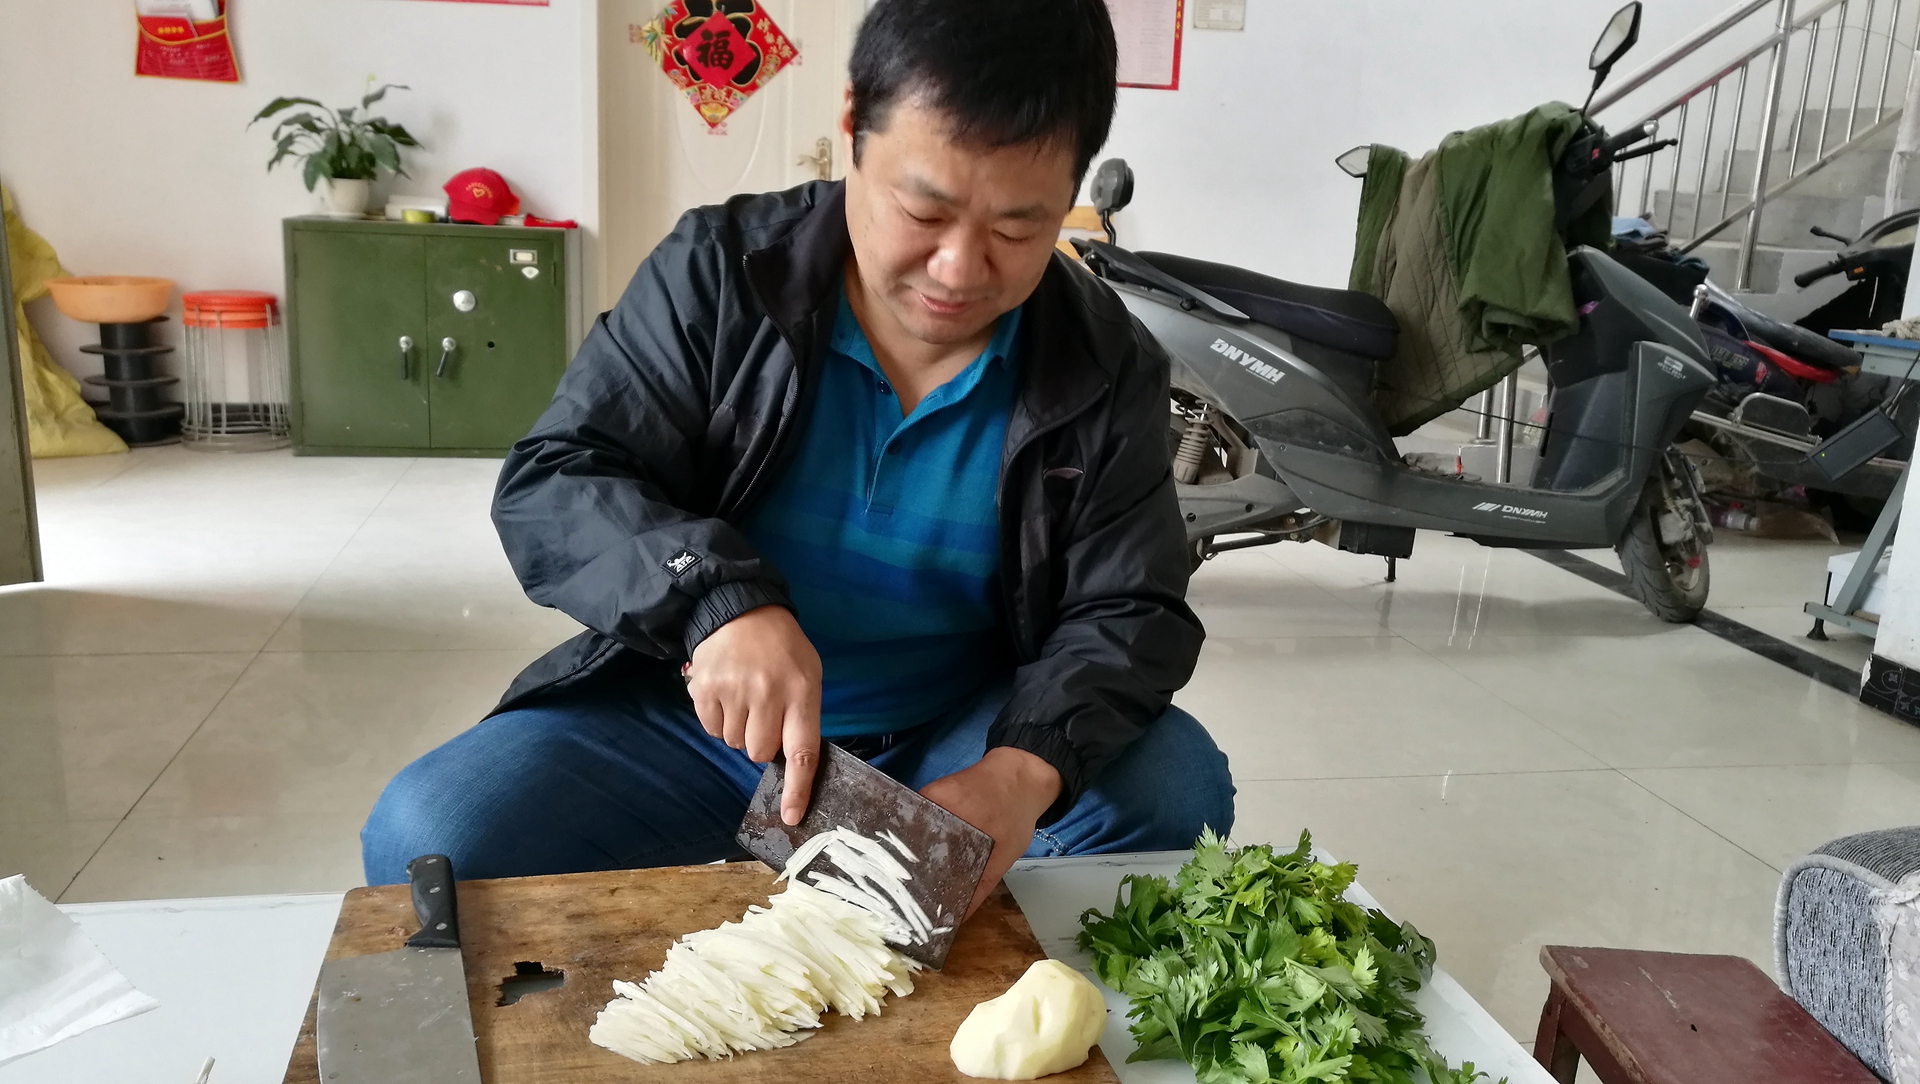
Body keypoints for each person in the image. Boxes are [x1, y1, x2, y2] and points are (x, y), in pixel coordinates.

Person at [360, 0, 1233, 916]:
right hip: (695, 725)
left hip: (947, 739)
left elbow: (1128, 607)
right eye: (923, 210)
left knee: (1172, 789)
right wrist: (715, 603)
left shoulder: (1103, 362)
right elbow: (560, 474)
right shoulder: (720, 272)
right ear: (852, 119)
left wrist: (1018, 771)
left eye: (1018, 231)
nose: (957, 270)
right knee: (433, 834)